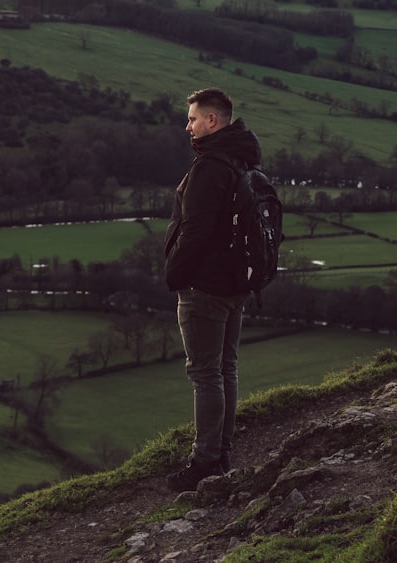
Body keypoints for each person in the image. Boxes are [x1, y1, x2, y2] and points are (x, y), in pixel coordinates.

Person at [163, 87, 262, 493]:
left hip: (205, 286)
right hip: (235, 282)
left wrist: (174, 275)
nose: (187, 125)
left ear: (212, 121)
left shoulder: (209, 167)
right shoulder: (240, 160)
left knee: (205, 374)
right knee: (225, 368)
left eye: (192, 118)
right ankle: (220, 452)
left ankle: (205, 462)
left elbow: (196, 230)